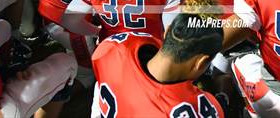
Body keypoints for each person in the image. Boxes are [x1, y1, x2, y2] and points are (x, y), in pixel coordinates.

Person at [91, 11, 224, 117]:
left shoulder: (112, 47)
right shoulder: (189, 108)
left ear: (166, 33)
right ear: (200, 62)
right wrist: (223, 98)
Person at [0, 19, 78, 118]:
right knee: (66, 64)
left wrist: (7, 68)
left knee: (3, 27)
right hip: (0, 110)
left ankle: (14, 53)